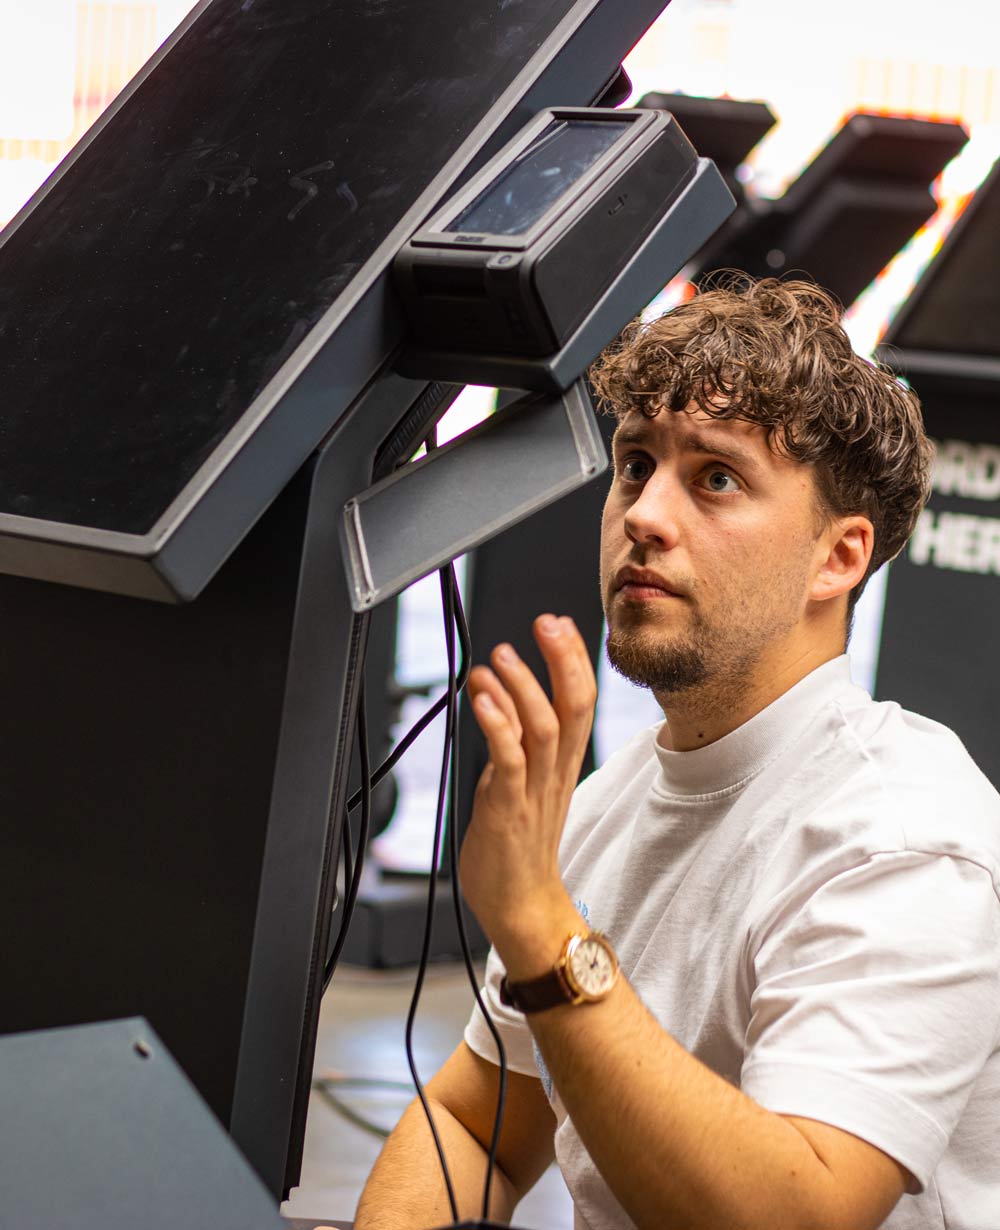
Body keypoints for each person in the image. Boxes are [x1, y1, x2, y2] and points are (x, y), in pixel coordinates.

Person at [355, 277, 1000, 1230]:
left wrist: (542, 928)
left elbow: (799, 1214)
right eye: (634, 465)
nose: (644, 515)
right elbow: (475, 1125)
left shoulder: (905, 842)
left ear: (840, 558)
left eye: (717, 478)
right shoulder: (613, 803)